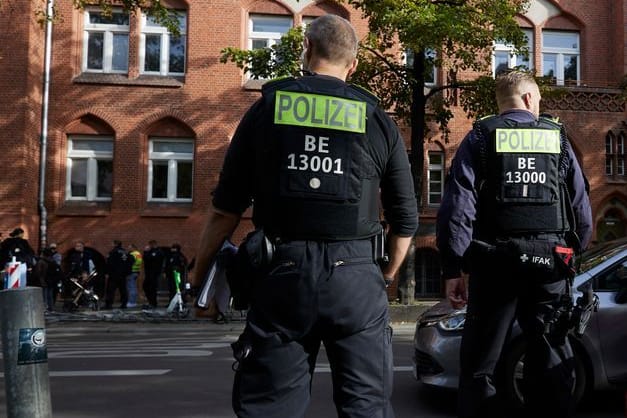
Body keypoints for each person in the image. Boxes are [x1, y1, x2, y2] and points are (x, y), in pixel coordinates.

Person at [191, 14, 418, 418]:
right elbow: (405, 219)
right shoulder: (377, 119)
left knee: (270, 406)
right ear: (353, 66)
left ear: (306, 50)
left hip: (281, 275)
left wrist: (200, 278)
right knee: (366, 406)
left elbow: (225, 209)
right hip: (357, 277)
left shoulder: (267, 110)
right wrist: (383, 277)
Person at [436, 70, 593, 418]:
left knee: (481, 364)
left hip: (495, 265)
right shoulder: (558, 138)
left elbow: (458, 207)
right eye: (537, 99)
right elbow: (581, 207)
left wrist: (453, 268)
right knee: (552, 359)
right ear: (528, 99)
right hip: (551, 264)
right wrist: (575, 253)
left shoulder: (480, 135)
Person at [104, 240, 132, 309]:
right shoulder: (125, 252)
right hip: (123, 275)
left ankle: (109, 304)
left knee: (111, 290)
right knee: (123, 289)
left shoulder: (113, 252)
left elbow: (109, 263)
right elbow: (131, 261)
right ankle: (124, 304)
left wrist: (107, 272)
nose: (112, 245)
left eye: (112, 243)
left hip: (114, 274)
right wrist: (127, 272)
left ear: (115, 244)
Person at [142, 239, 165, 308]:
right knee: (145, 286)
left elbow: (150, 259)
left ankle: (153, 303)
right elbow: (145, 259)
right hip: (148, 273)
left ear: (153, 244)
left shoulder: (158, 252)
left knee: (152, 288)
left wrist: (146, 252)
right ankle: (150, 301)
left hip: (154, 273)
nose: (149, 246)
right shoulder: (150, 251)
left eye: (150, 245)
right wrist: (145, 252)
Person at [126, 243, 142, 308]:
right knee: (133, 287)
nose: (128, 248)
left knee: (131, 287)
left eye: (129, 247)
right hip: (136, 272)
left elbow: (129, 263)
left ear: (133, 248)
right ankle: (133, 301)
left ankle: (131, 302)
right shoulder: (138, 254)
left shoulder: (132, 254)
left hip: (131, 272)